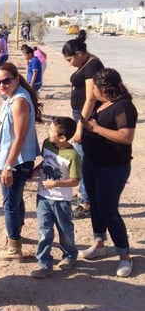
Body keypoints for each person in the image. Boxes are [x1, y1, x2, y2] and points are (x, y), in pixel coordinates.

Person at [79, 69, 137, 278]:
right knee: (94, 204)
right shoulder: (101, 103)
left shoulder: (123, 106)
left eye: (94, 86)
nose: (92, 90)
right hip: (92, 163)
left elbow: (126, 137)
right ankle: (99, 243)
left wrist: (95, 130)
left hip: (112, 168)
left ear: (104, 88)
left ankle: (124, 256)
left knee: (108, 210)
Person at [0, 63, 41, 261]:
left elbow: (19, 138)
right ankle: (16, 233)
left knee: (10, 204)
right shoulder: (10, 98)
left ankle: (14, 248)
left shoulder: (19, 101)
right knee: (16, 199)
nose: (1, 85)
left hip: (16, 162)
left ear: (16, 79)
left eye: (6, 81)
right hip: (12, 158)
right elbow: (9, 133)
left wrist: (8, 165)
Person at [30, 117, 81, 278]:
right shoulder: (47, 144)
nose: (48, 132)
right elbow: (45, 162)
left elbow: (75, 180)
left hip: (61, 200)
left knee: (65, 230)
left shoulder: (72, 155)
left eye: (51, 131)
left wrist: (55, 184)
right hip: (43, 197)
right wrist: (37, 169)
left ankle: (69, 256)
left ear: (62, 138)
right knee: (44, 231)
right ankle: (44, 264)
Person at [62, 30, 104, 219]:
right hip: (80, 115)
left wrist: (80, 125)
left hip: (87, 118)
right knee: (81, 157)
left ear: (79, 54)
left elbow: (91, 99)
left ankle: (87, 203)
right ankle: (82, 195)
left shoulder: (92, 66)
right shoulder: (88, 61)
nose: (69, 64)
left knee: (84, 159)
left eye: (70, 60)